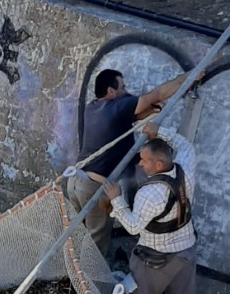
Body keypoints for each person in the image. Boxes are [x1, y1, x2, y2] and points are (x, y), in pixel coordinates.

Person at [103, 121, 201, 294]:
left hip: (154, 259)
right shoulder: (185, 169)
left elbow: (134, 226)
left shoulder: (149, 193)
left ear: (158, 164)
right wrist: (159, 133)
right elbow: (186, 146)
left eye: (144, 160)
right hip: (185, 251)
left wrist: (117, 200)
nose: (140, 164)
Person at [67, 68, 190, 257]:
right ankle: (91, 285)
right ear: (111, 91)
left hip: (76, 182)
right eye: (122, 87)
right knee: (95, 250)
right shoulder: (118, 107)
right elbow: (155, 95)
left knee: (75, 237)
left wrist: (153, 109)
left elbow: (137, 113)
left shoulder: (93, 108)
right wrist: (185, 79)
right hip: (94, 188)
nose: (125, 91)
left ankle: (70, 277)